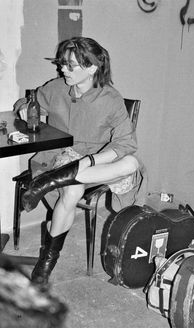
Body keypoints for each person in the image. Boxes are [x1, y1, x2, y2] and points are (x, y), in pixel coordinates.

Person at [14, 36, 145, 287]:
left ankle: (51, 181)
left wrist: (90, 161)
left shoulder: (110, 99)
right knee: (72, 192)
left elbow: (126, 143)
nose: (63, 69)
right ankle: (47, 261)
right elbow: (28, 101)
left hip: (96, 162)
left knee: (131, 164)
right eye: (62, 63)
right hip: (59, 157)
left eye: (70, 65)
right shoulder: (56, 88)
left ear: (92, 68)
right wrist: (25, 107)